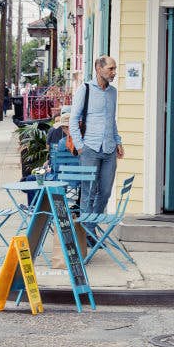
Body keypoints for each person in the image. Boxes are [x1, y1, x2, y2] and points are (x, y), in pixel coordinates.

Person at [68, 56, 123, 229]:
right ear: (99, 69)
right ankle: (88, 236)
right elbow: (73, 120)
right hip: (89, 149)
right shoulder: (85, 89)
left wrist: (118, 141)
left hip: (109, 149)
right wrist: (81, 147)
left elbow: (111, 120)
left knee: (105, 193)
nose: (114, 72)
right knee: (88, 193)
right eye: (111, 69)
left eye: (114, 69)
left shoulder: (113, 92)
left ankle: (90, 228)